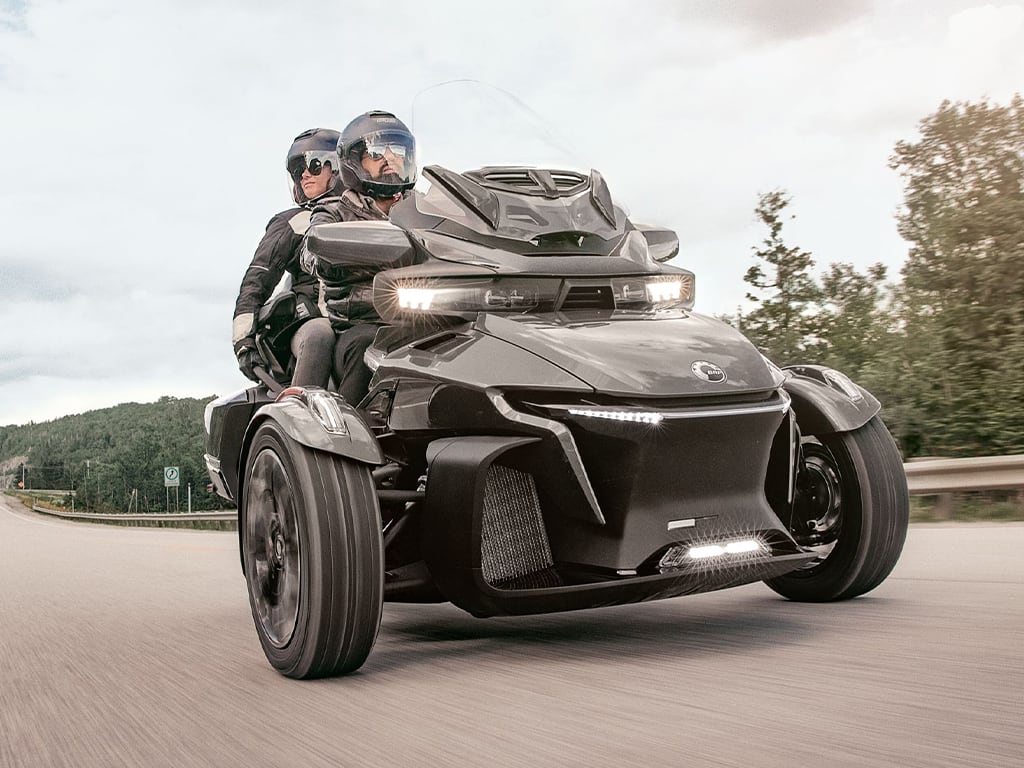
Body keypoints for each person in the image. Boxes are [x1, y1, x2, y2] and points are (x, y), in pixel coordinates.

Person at [301, 110, 418, 403]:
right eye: (378, 151)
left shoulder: (425, 210)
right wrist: (354, 253)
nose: (390, 158)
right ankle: (346, 437)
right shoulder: (334, 212)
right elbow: (311, 253)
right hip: (360, 324)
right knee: (368, 344)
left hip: (425, 319)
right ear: (353, 162)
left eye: (398, 150)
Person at [232, 128, 341, 388]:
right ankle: (304, 418)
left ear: (338, 168)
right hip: (314, 321)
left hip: (365, 320)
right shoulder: (293, 222)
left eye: (313, 165)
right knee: (319, 335)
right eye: (297, 170)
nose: (304, 174)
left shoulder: (371, 217)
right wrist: (243, 341)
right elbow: (257, 279)